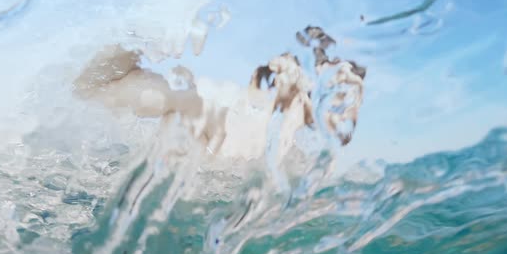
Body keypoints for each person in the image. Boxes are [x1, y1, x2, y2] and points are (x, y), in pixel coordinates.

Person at [72, 26, 366, 162]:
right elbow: (88, 93)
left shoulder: (297, 157)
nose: (349, 112)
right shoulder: (234, 113)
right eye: (340, 94)